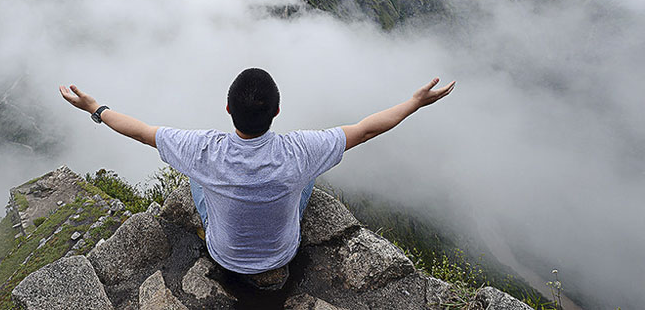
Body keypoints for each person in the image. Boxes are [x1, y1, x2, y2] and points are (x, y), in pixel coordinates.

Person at [59, 68, 454, 278]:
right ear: (277, 112)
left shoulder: (204, 150)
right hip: (284, 252)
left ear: (228, 109)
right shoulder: (300, 150)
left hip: (224, 255)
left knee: (195, 174)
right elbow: (367, 129)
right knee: (309, 174)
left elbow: (143, 132)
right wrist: (414, 103)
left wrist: (96, 109)